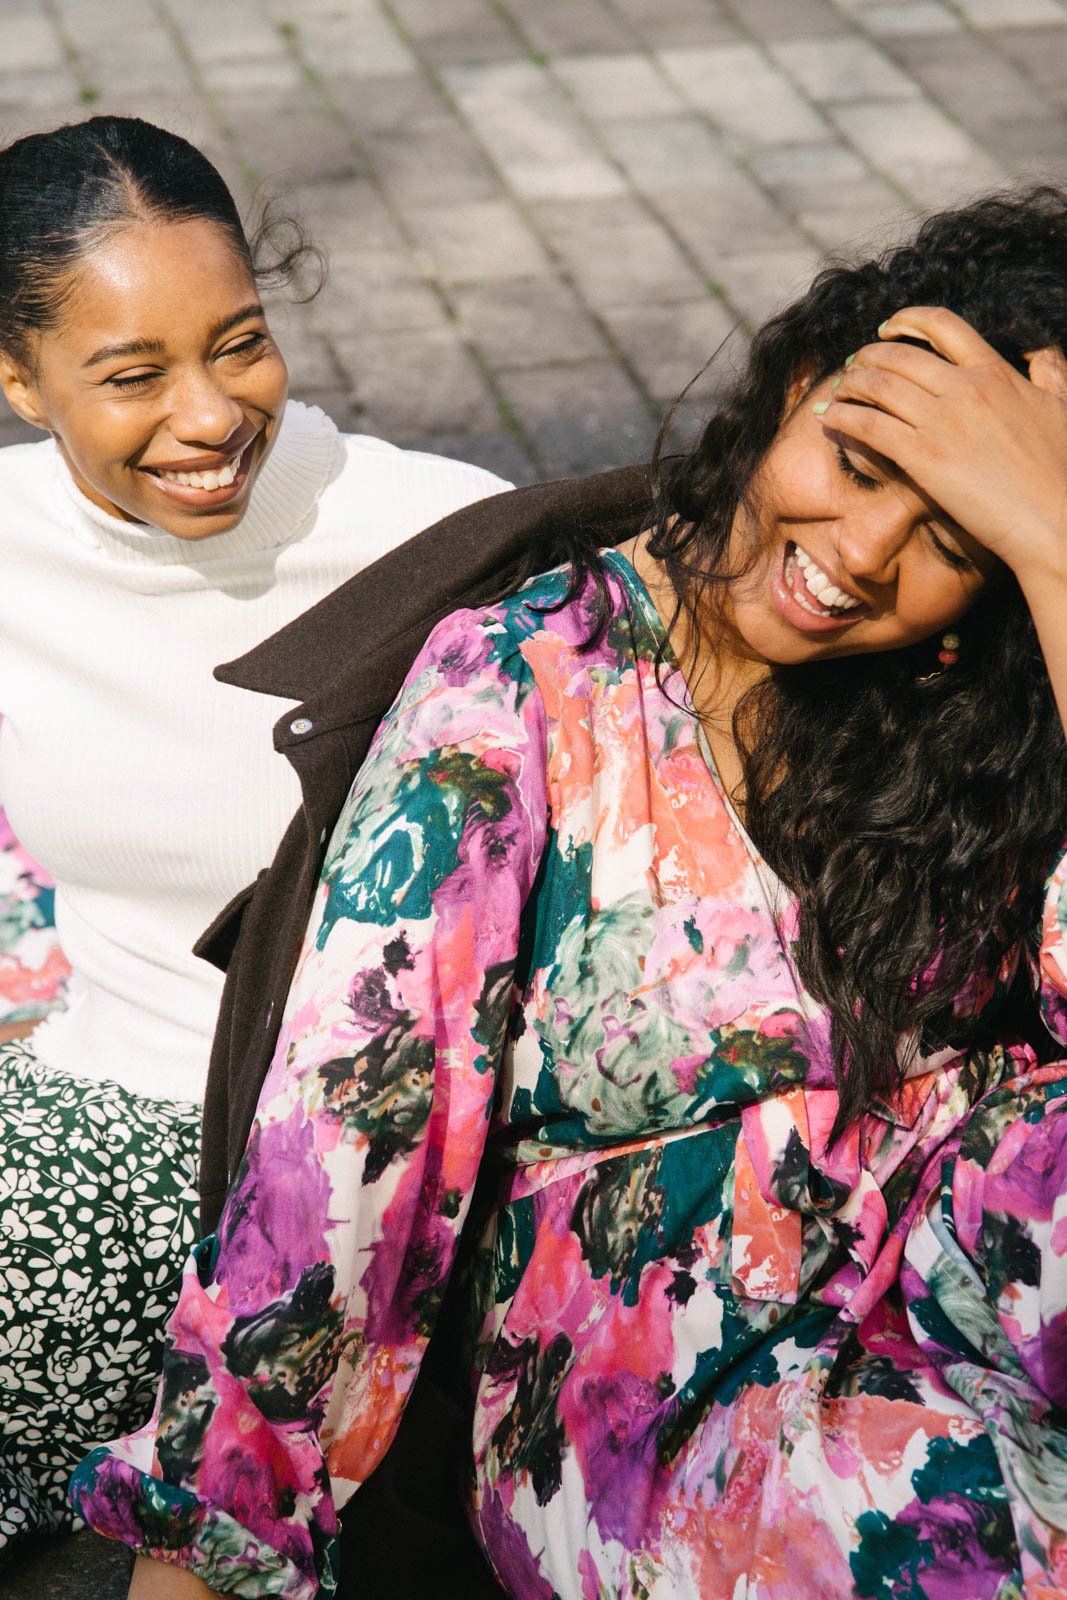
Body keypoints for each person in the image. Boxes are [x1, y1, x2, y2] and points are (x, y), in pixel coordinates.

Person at [74, 188, 1067, 1600]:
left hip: (978, 1269)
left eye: (956, 538)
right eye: (851, 459)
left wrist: (1058, 552)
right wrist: (202, 1544)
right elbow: (355, 1141)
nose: (858, 555)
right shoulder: (528, 683)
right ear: (789, 389)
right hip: (662, 1378)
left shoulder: (971, 713)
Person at [0, 113, 509, 1560]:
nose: (213, 412)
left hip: (330, 1178)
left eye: (240, 342)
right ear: (17, 377)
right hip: (98, 1093)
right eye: (132, 374)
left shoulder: (451, 538)